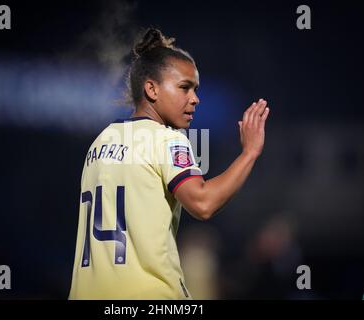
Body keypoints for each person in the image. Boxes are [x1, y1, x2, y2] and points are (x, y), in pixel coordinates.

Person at [69, 28, 270, 299]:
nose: (195, 99)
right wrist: (249, 153)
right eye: (184, 87)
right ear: (151, 88)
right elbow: (203, 203)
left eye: (196, 89)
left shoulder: (100, 142)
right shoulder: (166, 140)